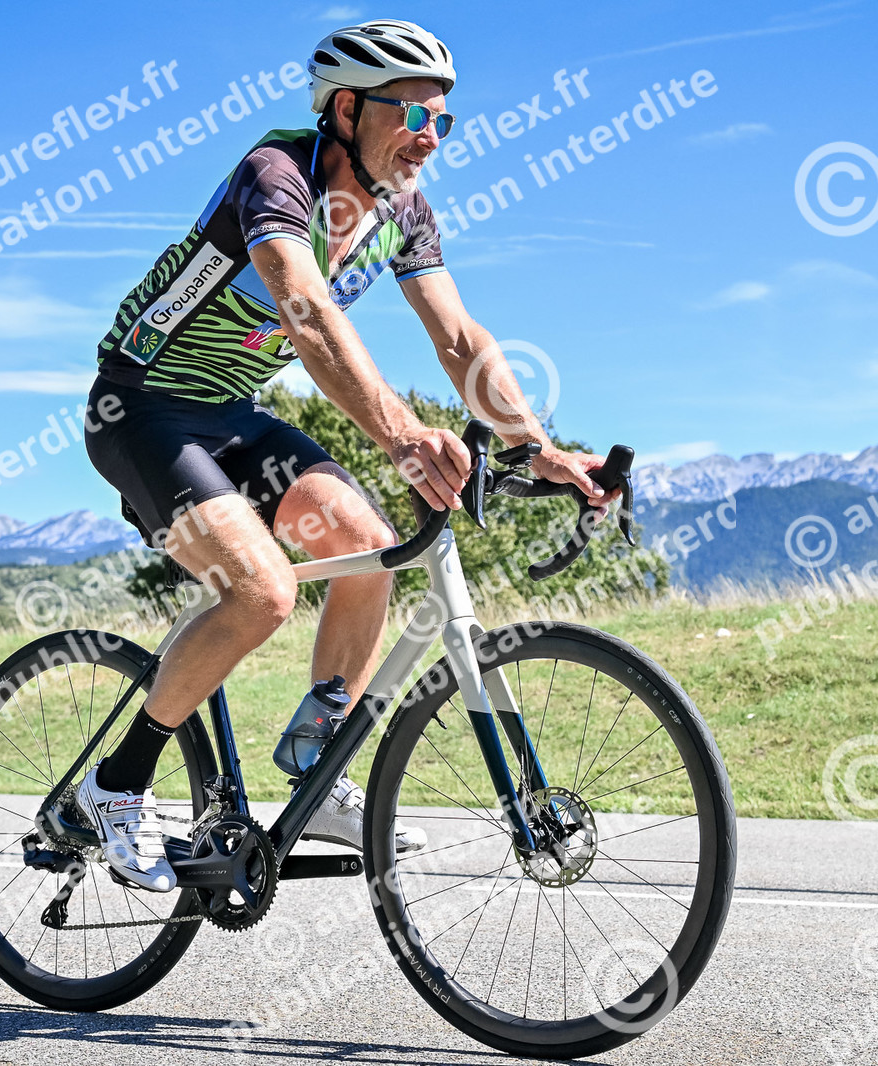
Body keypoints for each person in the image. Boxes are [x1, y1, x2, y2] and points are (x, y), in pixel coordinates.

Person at [75, 18, 622, 892]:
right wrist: (401, 435)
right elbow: (306, 311)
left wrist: (539, 445)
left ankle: (317, 767)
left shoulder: (405, 213)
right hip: (140, 408)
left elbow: (458, 338)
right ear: (344, 110)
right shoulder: (276, 175)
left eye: (443, 119)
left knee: (370, 554)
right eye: (411, 113)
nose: (430, 137)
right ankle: (115, 786)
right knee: (263, 591)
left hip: (234, 415)